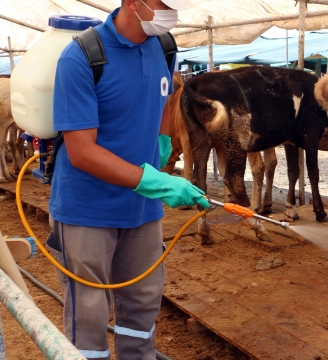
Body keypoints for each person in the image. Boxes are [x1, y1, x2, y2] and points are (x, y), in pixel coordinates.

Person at [46, 1, 208, 359]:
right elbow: (82, 152)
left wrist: (162, 141)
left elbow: (166, 100)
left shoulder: (164, 46)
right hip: (87, 210)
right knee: (88, 311)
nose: (171, 11)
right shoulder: (82, 57)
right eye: (163, 3)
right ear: (133, 2)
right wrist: (159, 183)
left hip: (141, 210)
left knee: (142, 302)